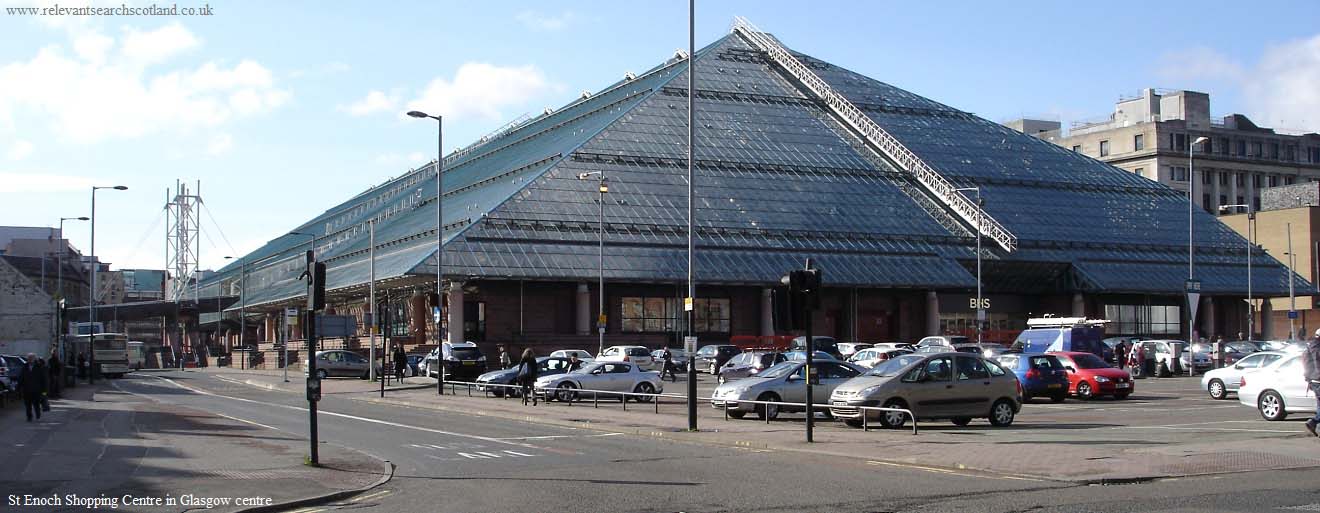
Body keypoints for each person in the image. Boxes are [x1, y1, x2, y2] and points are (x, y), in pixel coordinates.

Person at [17, 354, 48, 422]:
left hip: (36, 390)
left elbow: (43, 380)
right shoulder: (25, 367)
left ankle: (38, 415)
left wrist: (44, 391)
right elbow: (21, 378)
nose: (30, 360)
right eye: (29, 358)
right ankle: (29, 417)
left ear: (34, 359)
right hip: (26, 390)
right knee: (28, 405)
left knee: (36, 404)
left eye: (31, 358)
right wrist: (18, 387)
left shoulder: (39, 367)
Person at [1304, 329, 1320, 437]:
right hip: (1318, 380)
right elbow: (1318, 363)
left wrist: (1308, 379)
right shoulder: (1317, 347)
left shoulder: (1310, 347)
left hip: (1313, 380)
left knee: (1319, 405)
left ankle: (1315, 424)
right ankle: (1314, 421)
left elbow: (1306, 364)